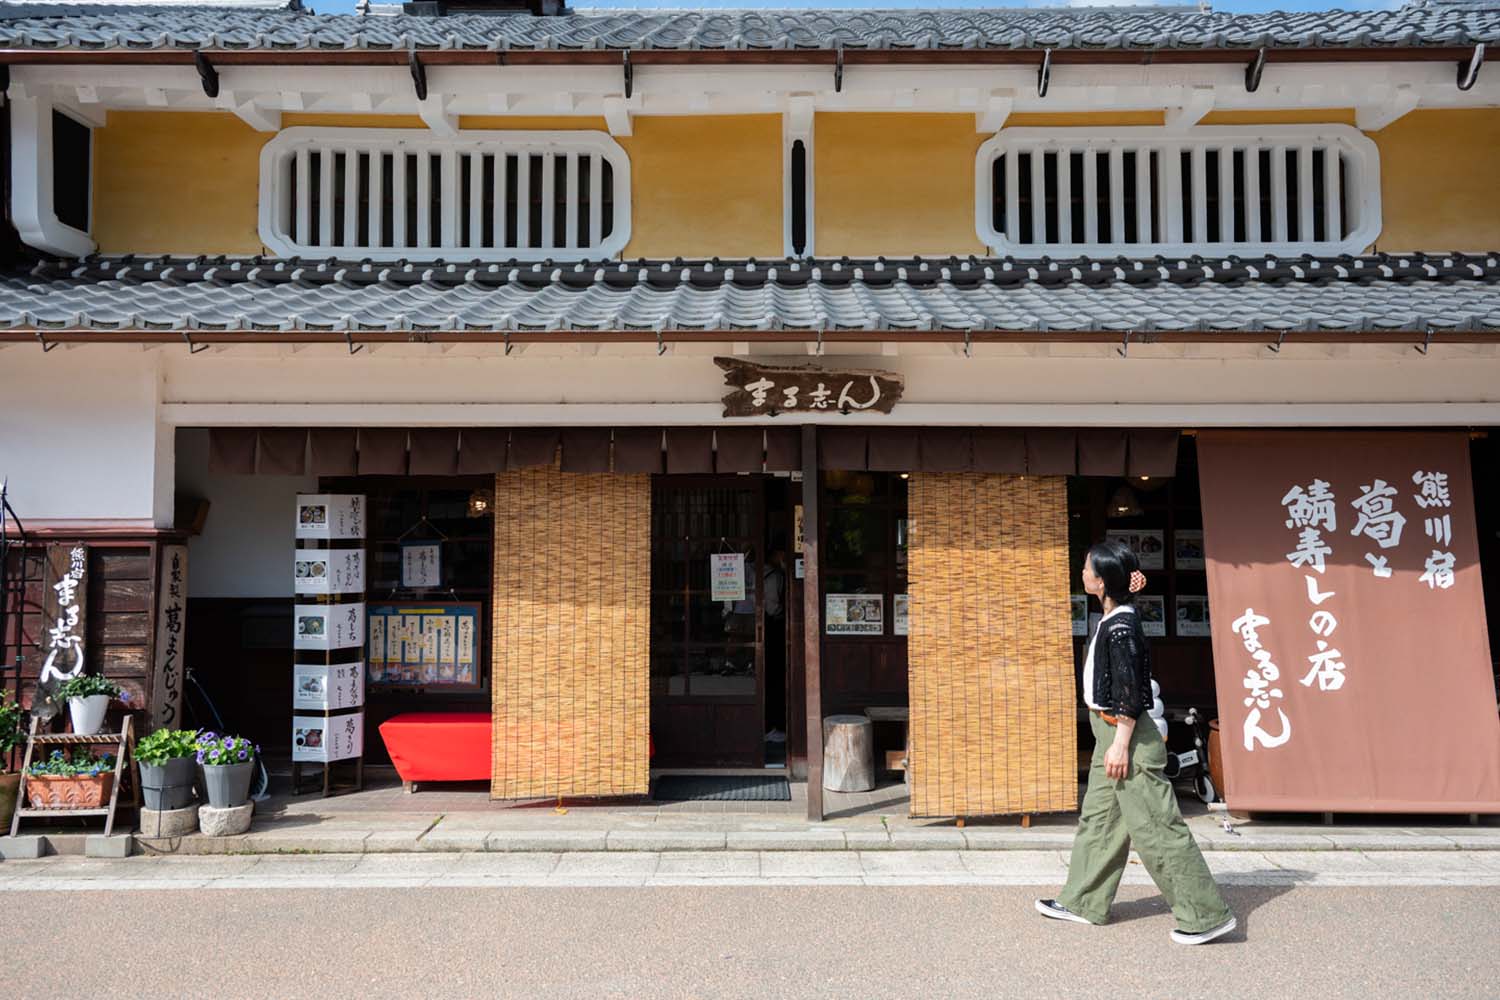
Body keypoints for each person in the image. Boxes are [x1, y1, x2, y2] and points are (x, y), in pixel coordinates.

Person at [1036, 539, 1237, 946]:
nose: (1082, 573)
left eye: (1088, 568)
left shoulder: (1122, 627)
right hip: (1107, 731)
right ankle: (1083, 900)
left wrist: (1121, 743)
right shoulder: (1116, 613)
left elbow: (1131, 689)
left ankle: (1205, 915)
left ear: (1103, 581)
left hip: (1125, 733)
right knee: (1100, 819)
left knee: (1157, 827)